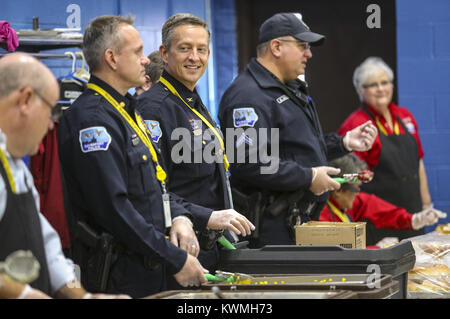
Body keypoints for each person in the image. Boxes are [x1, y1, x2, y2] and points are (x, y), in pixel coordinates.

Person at [58, 15, 208, 299]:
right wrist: (173, 258)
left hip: (147, 267)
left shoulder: (126, 110)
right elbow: (115, 208)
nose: (145, 60)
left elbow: (153, 187)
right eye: (138, 52)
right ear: (112, 58)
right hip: (118, 276)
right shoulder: (92, 120)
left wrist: (178, 217)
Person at [218, 12, 378, 247]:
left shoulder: (286, 89)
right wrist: (309, 177)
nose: (309, 53)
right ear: (276, 47)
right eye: (302, 46)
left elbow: (296, 150)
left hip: (294, 221)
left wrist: (343, 143)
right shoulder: (248, 96)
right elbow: (249, 163)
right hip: (268, 230)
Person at [0, 52, 129, 299]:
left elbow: (47, 248)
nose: (51, 125)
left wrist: (83, 297)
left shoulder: (15, 166)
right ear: (26, 100)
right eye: (51, 112)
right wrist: (25, 295)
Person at [137, 13, 255, 276]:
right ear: (164, 53)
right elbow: (151, 189)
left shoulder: (190, 99)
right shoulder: (154, 108)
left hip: (209, 247)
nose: (194, 57)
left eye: (201, 49)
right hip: (177, 253)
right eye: (185, 48)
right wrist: (207, 217)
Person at [338, 57, 433, 243]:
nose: (381, 89)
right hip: (380, 220)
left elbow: (418, 162)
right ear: (360, 90)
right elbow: (351, 179)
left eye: (385, 82)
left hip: (413, 212)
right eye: (373, 85)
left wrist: (426, 203)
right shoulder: (355, 125)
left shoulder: (405, 116)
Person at [319, 154, 444, 247]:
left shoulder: (343, 203)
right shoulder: (321, 218)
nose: (358, 194)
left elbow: (376, 208)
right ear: (337, 191)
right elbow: (340, 255)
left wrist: (413, 219)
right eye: (355, 190)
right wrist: (377, 249)